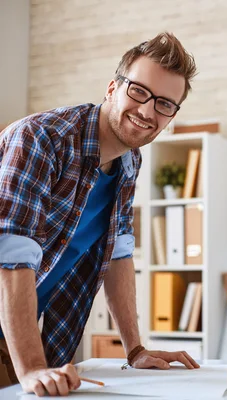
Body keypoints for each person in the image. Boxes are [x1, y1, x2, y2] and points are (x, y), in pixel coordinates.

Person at [0, 32, 200, 397]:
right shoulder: (40, 139)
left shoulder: (129, 161)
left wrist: (135, 350)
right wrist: (31, 369)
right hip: (16, 344)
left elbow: (119, 252)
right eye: (139, 91)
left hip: (16, 338)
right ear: (112, 88)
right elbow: (11, 255)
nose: (147, 111)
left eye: (165, 104)